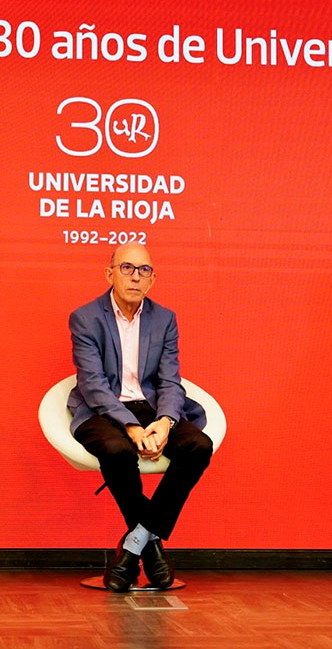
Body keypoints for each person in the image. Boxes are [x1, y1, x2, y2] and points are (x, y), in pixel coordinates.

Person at [68, 242, 212, 592]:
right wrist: (132, 428)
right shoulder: (85, 318)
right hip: (102, 409)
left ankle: (136, 543)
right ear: (110, 274)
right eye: (127, 268)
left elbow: (169, 380)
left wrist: (164, 421)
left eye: (144, 270)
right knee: (117, 450)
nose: (135, 276)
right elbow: (93, 385)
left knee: (198, 445)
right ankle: (152, 550)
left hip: (149, 405)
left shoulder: (164, 319)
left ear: (153, 279)